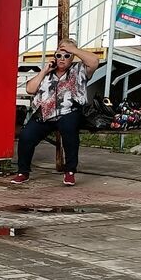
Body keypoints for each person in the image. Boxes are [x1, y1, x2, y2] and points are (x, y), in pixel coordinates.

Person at [12, 38, 100, 187]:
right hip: (45, 113)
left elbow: (95, 61)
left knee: (69, 129)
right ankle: (23, 172)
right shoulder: (48, 73)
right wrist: (45, 70)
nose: (62, 59)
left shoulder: (79, 69)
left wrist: (73, 49)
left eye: (67, 56)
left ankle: (70, 171)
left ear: (72, 57)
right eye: (59, 55)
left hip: (69, 111)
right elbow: (30, 89)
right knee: (26, 136)